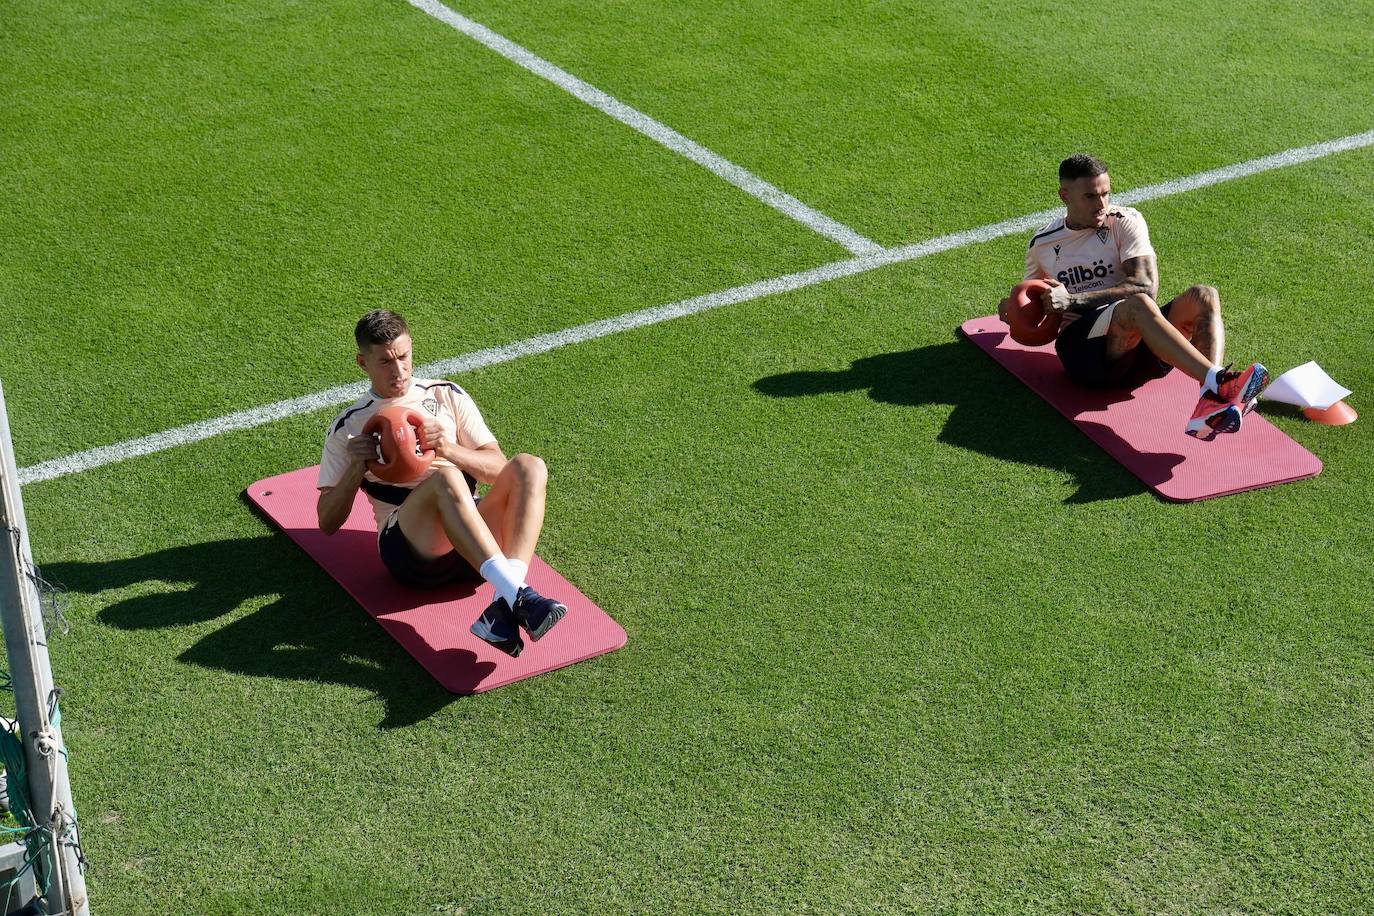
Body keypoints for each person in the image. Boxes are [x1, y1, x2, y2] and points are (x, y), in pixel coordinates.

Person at [317, 309, 564, 657]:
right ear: (362, 363)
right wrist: (357, 466)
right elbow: (327, 522)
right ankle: (518, 593)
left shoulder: (446, 394)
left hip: (472, 548)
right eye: (385, 361)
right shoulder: (349, 427)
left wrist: (448, 447)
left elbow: (497, 470)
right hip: (411, 554)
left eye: (403, 356)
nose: (398, 370)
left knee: (530, 466)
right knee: (445, 478)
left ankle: (506, 600)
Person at [999, 153, 1269, 437]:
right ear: (1064, 195)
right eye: (1090, 196)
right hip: (1086, 357)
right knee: (1136, 306)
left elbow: (1145, 285)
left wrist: (1073, 299)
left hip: (1140, 349)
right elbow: (1031, 301)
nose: (1101, 204)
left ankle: (1210, 401)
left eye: (1106, 193)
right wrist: (1012, 313)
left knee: (1203, 296)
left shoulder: (1125, 221)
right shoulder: (1043, 243)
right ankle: (1220, 382)